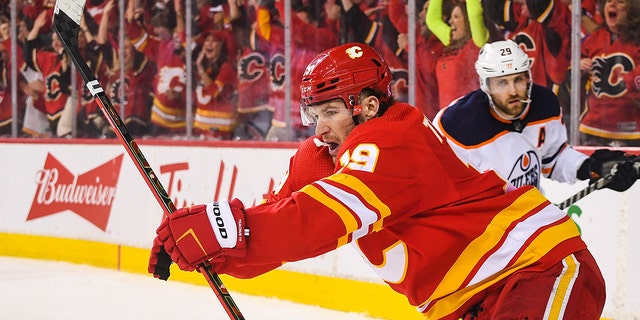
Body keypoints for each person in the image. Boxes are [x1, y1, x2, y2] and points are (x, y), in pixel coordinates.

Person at [149, 43, 610, 319]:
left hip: (534, 270)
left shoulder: (394, 140)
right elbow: (280, 219)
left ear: (366, 107)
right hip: (466, 304)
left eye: (329, 112)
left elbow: (321, 217)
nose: (319, 129)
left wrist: (225, 230)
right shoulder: (325, 155)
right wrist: (211, 248)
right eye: (314, 114)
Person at [433, 40, 639, 192]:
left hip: (530, 221)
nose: (513, 91)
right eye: (502, 82)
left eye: (518, 80)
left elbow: (553, 158)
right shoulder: (455, 125)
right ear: (486, 85)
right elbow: (438, 190)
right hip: (480, 233)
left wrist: (589, 167)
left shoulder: (545, 104)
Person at [579, 0, 640, 147]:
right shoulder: (594, 37)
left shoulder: (637, 39)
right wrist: (579, 65)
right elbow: (572, 64)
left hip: (632, 128)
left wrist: (630, 80)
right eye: (608, 1)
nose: (611, 4)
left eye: (620, 2)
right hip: (593, 125)